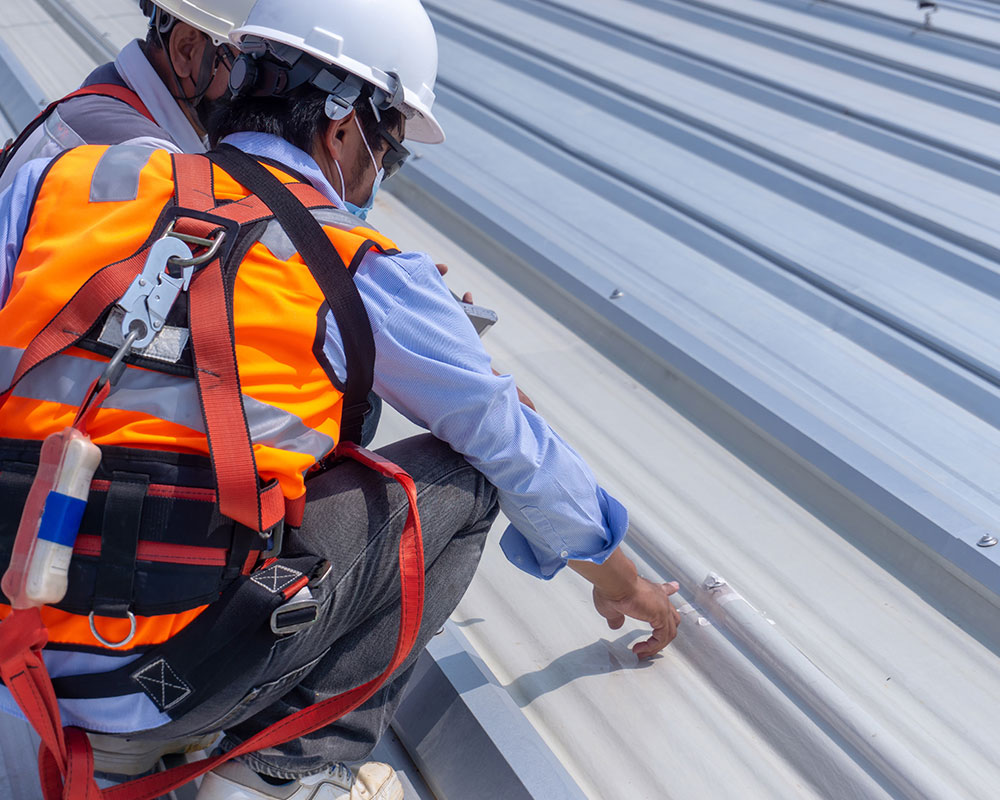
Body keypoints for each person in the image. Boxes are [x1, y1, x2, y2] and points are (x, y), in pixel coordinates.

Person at [0, 1, 682, 798]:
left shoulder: (68, 177)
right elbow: (508, 437)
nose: (378, 178)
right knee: (465, 477)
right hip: (161, 687)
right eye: (388, 152)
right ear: (344, 127)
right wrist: (615, 571)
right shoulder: (360, 265)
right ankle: (291, 769)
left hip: (17, 646)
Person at [0, 0, 248, 192]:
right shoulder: (147, 162)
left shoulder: (107, 94)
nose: (252, 84)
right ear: (185, 50)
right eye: (243, 65)